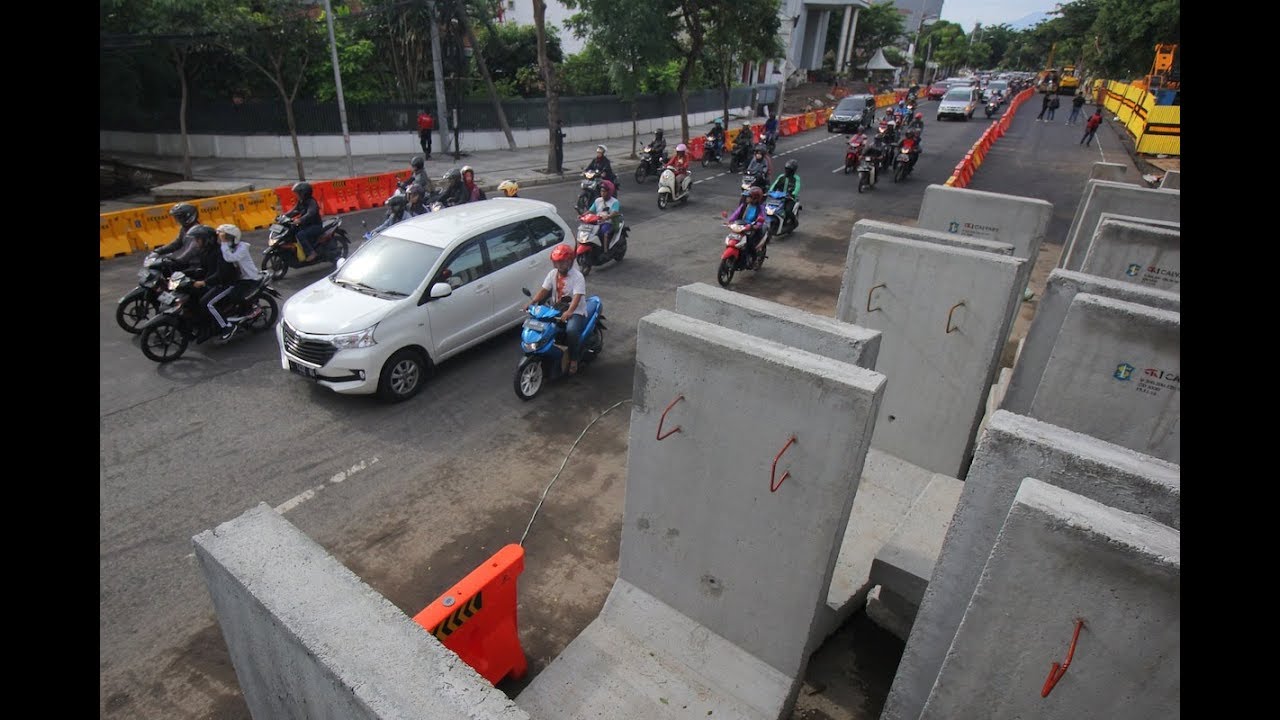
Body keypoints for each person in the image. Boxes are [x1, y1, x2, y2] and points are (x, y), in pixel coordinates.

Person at [524, 243, 588, 375]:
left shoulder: (578, 277)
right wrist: (533, 302)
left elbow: (577, 297)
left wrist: (570, 312)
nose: (559, 265)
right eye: (556, 262)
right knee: (543, 326)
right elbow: (544, 290)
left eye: (562, 262)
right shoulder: (552, 274)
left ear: (570, 261)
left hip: (575, 311)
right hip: (556, 309)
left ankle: (574, 360)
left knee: (571, 331)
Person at [208, 223, 262, 340]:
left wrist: (223, 242)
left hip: (250, 278)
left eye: (226, 237)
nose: (223, 240)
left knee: (234, 295)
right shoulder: (230, 247)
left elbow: (230, 258)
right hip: (240, 278)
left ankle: (253, 309)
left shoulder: (242, 247)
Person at [184, 224, 237, 340]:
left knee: (207, 303)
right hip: (212, 283)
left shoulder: (220, 253)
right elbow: (203, 269)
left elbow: (221, 274)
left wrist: (204, 282)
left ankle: (226, 327)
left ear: (207, 240)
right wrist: (185, 274)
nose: (196, 242)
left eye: (198, 239)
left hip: (225, 284)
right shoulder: (205, 252)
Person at [725, 186, 768, 267]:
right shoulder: (744, 205)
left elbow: (762, 218)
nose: (747, 198)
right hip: (742, 226)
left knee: (749, 243)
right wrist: (730, 221)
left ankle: (754, 259)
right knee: (733, 238)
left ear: (755, 198)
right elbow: (736, 213)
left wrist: (756, 225)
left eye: (749, 197)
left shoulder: (760, 208)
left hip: (752, 229)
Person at [284, 181, 323, 262]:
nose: (296, 195)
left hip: (315, 226)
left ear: (304, 193)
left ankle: (311, 252)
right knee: (292, 230)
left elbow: (310, 213)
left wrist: (300, 220)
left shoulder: (311, 202)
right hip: (306, 225)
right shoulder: (301, 201)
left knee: (300, 235)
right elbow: (294, 211)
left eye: (297, 193)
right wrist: (283, 216)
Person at [768, 159, 801, 228]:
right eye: (786, 169)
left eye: (789, 170)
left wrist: (793, 194)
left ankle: (794, 221)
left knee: (787, 211)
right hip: (779, 197)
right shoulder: (781, 176)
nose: (787, 171)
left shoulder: (796, 178)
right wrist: (770, 191)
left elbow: (797, 187)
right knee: (770, 208)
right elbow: (775, 184)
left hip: (790, 198)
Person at [588, 179, 621, 248]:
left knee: (604, 233)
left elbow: (615, 212)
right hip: (597, 222)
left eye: (604, 191)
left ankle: (606, 251)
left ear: (609, 192)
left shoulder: (615, 202)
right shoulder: (598, 200)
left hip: (609, 222)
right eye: (601, 191)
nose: (602, 193)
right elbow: (590, 211)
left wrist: (608, 216)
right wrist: (582, 215)